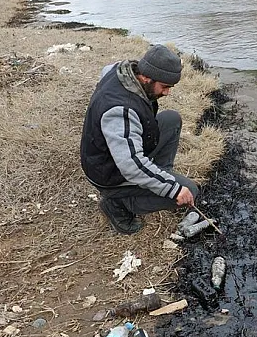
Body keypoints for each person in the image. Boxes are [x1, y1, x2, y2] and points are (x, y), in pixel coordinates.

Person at [80, 44, 199, 235]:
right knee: (189, 190)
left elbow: (105, 70)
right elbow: (131, 166)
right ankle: (117, 205)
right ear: (146, 77)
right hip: (109, 174)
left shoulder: (121, 70)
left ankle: (159, 175)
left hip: (116, 154)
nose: (167, 92)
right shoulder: (120, 111)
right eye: (165, 86)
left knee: (170, 119)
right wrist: (173, 189)